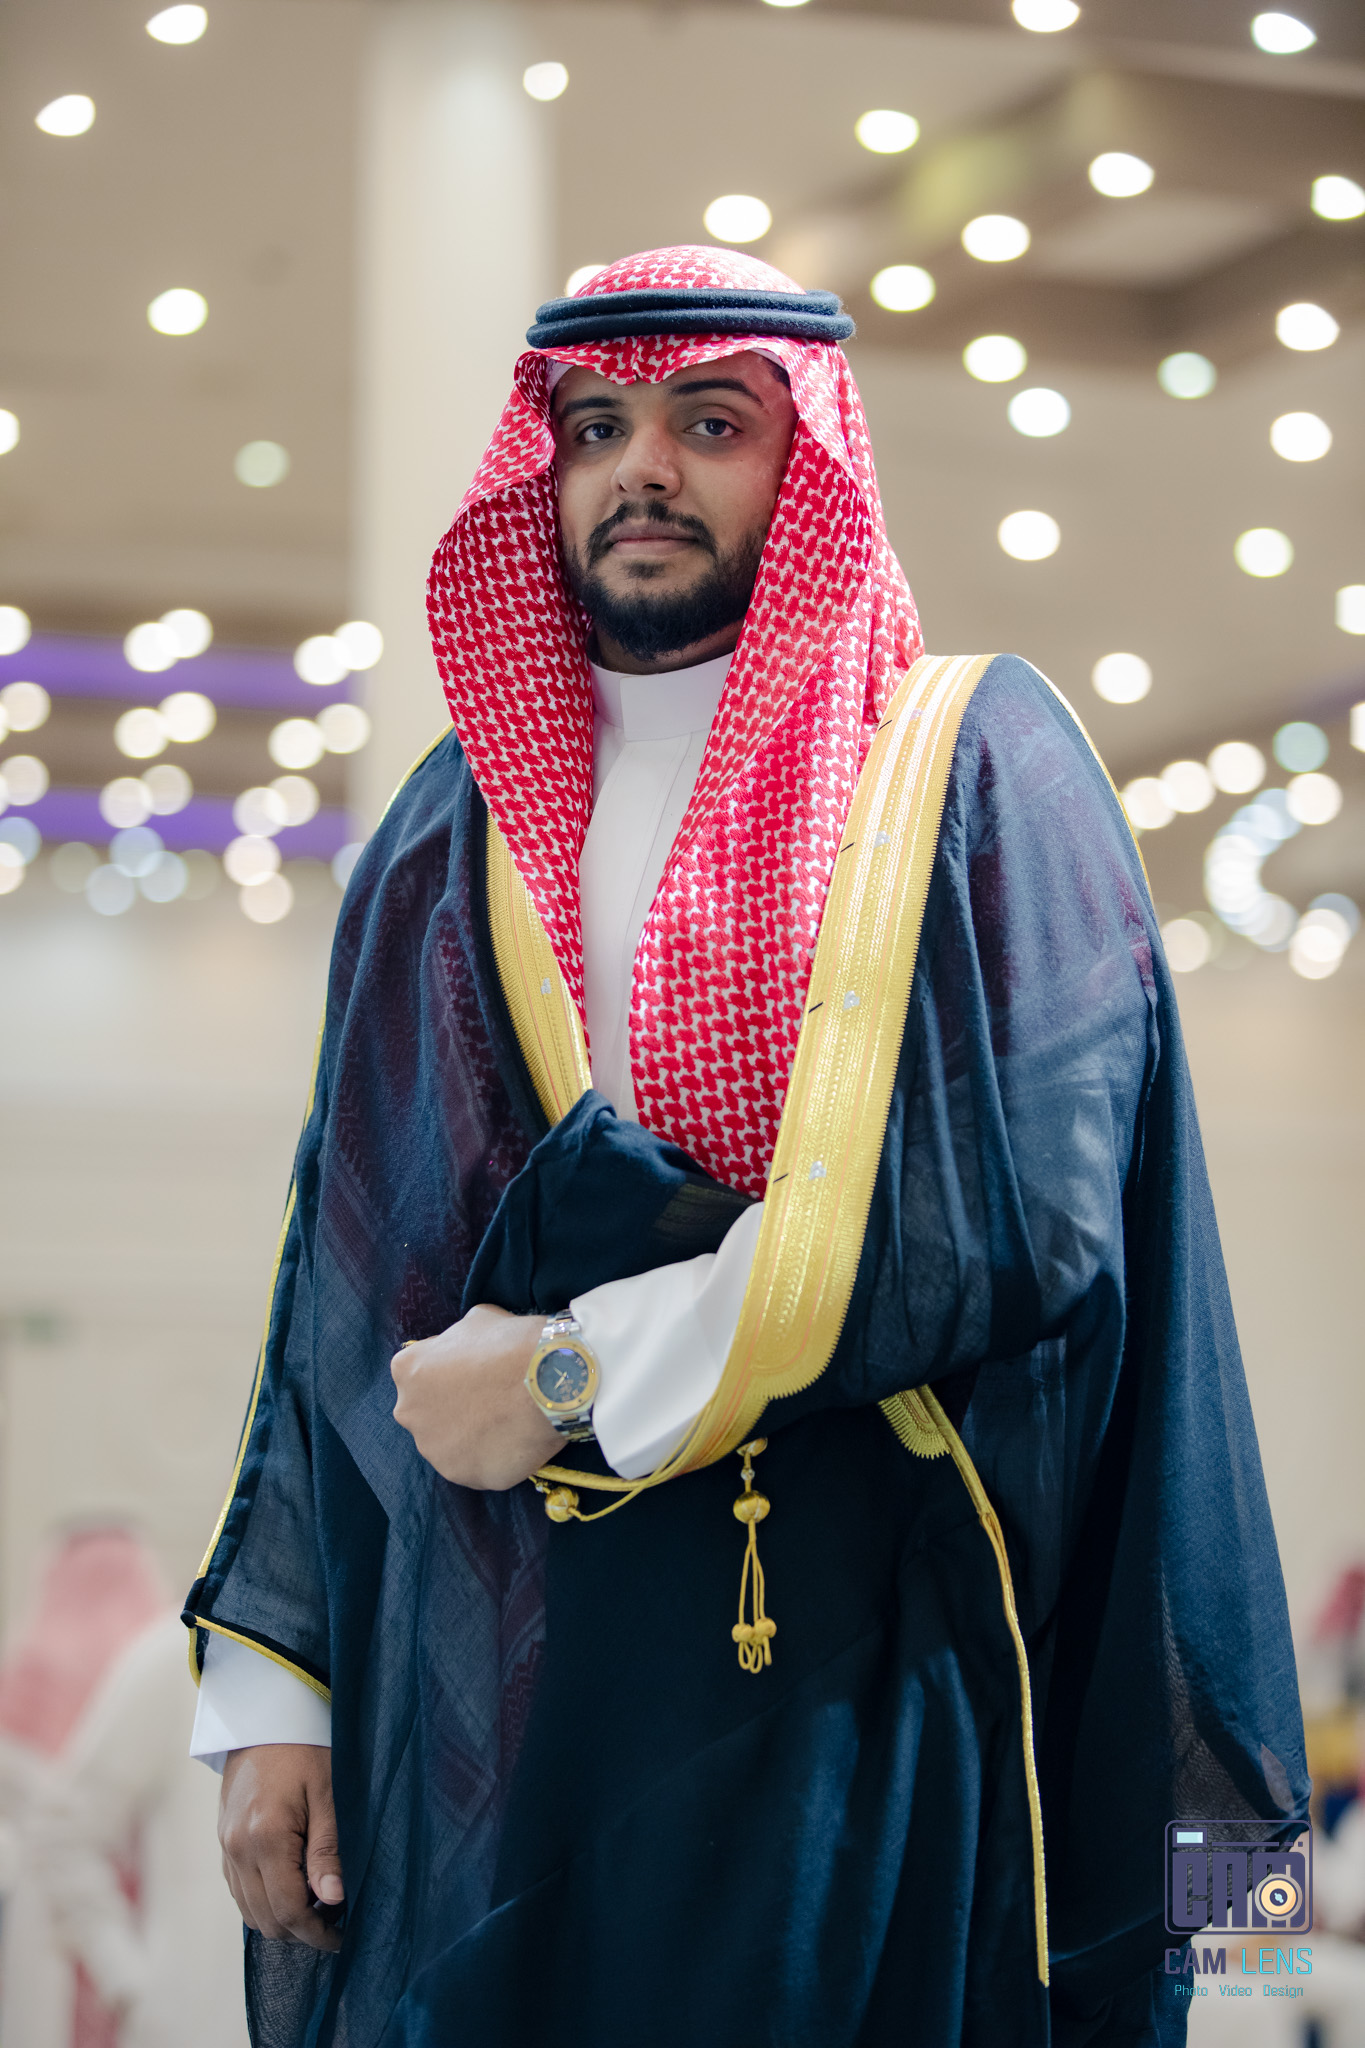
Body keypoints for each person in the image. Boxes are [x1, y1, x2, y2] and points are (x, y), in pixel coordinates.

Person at [183, 246, 1306, 2047]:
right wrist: (276, 1690)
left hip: (878, 1646)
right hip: (521, 1667)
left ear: (808, 460)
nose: (642, 469)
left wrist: (566, 1368)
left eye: (709, 423)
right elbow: (348, 1256)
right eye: (596, 428)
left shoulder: (970, 763)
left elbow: (1002, 1217)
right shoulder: (445, 825)